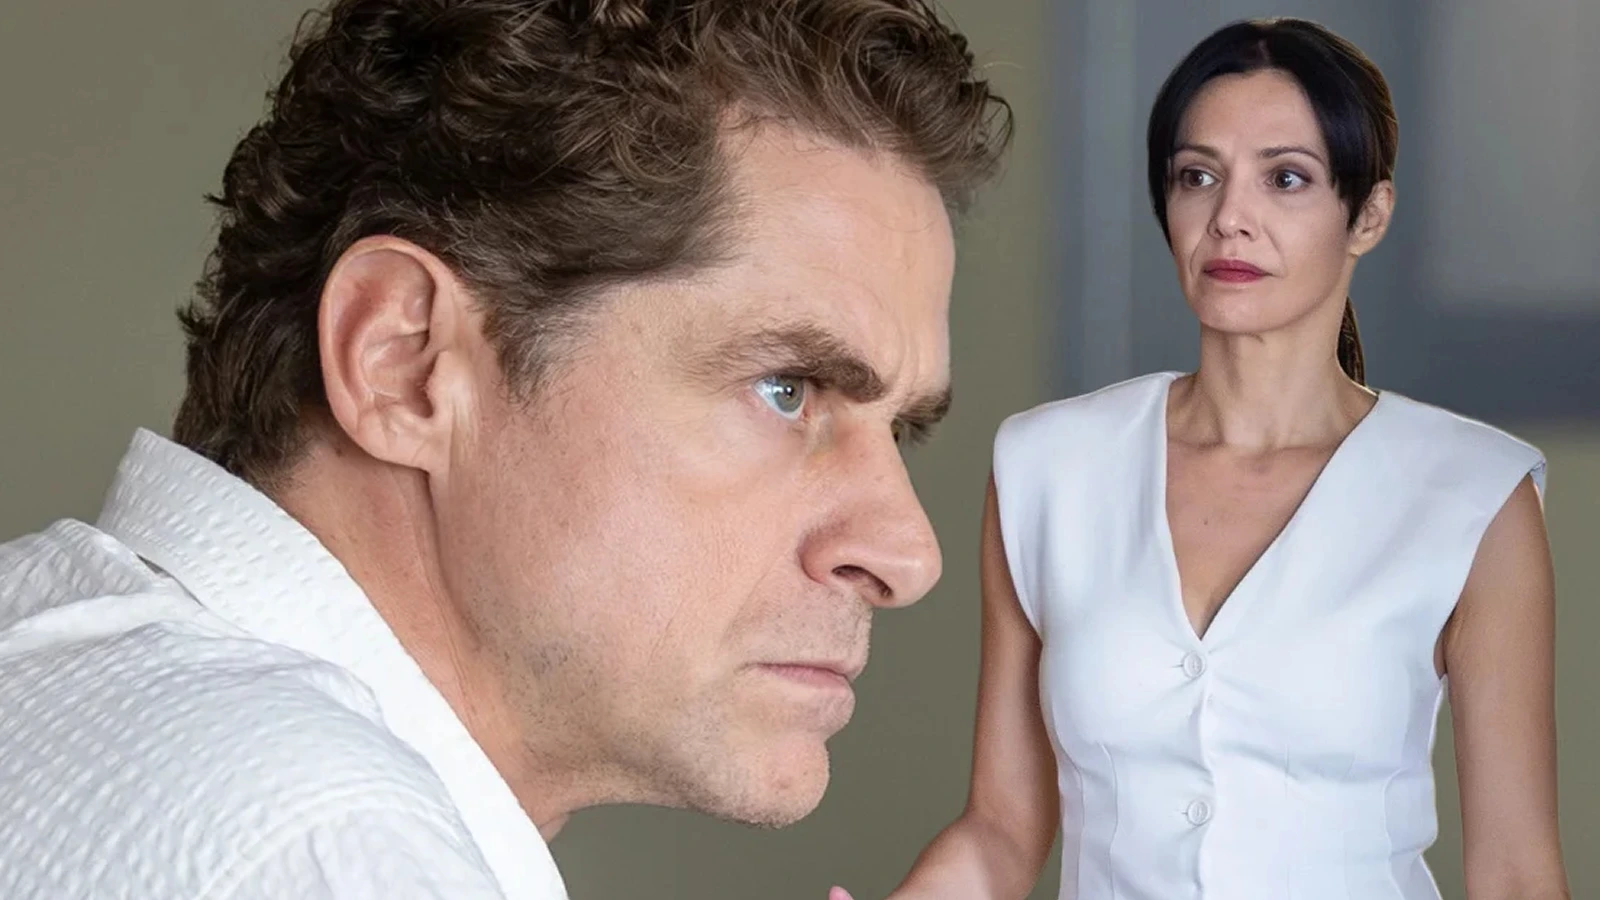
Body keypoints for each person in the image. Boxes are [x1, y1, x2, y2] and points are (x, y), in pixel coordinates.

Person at [0, 1, 1012, 897]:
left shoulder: (46, 644)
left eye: (900, 430)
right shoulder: (327, 847)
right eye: (786, 389)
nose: (907, 554)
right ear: (403, 362)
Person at [841, 17, 1570, 900]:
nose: (1230, 219)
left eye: (1286, 178)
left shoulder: (1474, 497)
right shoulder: (1048, 469)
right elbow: (1001, 831)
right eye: (1198, 176)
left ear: (1368, 214)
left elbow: (1517, 875)